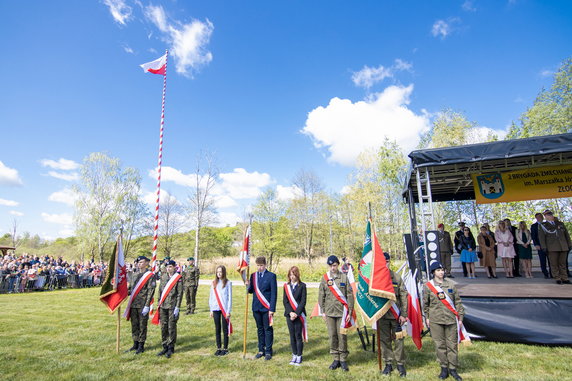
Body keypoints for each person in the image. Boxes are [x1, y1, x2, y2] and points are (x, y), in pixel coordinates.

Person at [423, 262, 466, 381]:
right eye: (438, 270)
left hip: (451, 319)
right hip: (436, 320)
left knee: (452, 344)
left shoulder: (451, 285)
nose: (441, 272)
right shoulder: (428, 286)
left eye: (442, 270)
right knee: (440, 345)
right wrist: (427, 317)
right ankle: (444, 368)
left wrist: (460, 318)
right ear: (433, 272)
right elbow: (425, 304)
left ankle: (453, 368)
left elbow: (457, 302)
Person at [318, 255, 354, 372]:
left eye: (334, 265)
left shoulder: (344, 278)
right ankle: (335, 358)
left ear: (338, 265)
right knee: (332, 335)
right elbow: (321, 295)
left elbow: (349, 295)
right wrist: (322, 311)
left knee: (342, 336)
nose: (332, 268)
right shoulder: (325, 278)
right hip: (329, 312)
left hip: (342, 313)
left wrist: (350, 311)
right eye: (330, 266)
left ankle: (343, 359)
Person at [379, 252, 408, 378]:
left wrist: (403, 314)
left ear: (389, 262)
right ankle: (388, 363)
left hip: (396, 315)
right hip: (382, 316)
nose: (385, 263)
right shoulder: (376, 279)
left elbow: (403, 296)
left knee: (398, 341)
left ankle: (400, 364)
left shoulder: (396, 277)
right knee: (384, 340)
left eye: (387, 261)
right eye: (382, 261)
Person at [247, 256, 277, 360]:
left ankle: (268, 351)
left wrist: (272, 308)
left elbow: (274, 294)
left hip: (266, 308)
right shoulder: (253, 276)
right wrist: (247, 285)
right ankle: (261, 350)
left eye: (261, 265)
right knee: (259, 329)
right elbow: (251, 291)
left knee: (267, 329)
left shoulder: (271, 276)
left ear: (265, 265)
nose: (260, 267)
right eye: (258, 265)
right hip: (256, 307)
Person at [125, 255, 156, 354]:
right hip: (134, 304)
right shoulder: (135, 275)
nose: (139, 264)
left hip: (143, 304)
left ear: (147, 263)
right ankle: (135, 343)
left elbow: (151, 291)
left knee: (142, 325)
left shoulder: (150, 275)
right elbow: (131, 290)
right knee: (134, 325)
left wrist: (147, 305)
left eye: (142, 262)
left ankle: (141, 345)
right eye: (138, 262)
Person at [156, 260, 183, 358]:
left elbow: (180, 294)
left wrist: (177, 307)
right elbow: (160, 291)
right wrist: (158, 303)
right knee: (163, 326)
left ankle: (171, 347)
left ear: (174, 267)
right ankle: (164, 346)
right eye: (167, 267)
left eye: (170, 267)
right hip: (163, 306)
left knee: (171, 327)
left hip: (172, 306)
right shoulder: (163, 277)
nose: (168, 268)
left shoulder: (178, 278)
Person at [538, 210, 571, 285]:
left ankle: (564, 277)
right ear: (545, 217)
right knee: (554, 263)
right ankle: (557, 278)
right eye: (548, 215)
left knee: (563, 263)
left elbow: (566, 235)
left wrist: (569, 244)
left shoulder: (560, 223)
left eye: (551, 214)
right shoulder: (543, 225)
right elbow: (541, 237)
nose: (550, 216)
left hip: (563, 246)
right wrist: (544, 247)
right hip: (552, 247)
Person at [282, 266, 307, 366]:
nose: (292, 277)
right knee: (292, 336)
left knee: (298, 336)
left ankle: (299, 356)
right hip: (289, 315)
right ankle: (294, 355)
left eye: (294, 274)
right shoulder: (286, 286)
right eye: (290, 275)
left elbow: (303, 301)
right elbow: (285, 301)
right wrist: (290, 313)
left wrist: (296, 313)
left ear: (297, 275)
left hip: (299, 315)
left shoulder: (302, 286)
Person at [209, 265, 232, 356]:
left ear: (224, 272)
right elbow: (211, 297)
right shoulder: (213, 283)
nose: (219, 273)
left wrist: (228, 310)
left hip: (224, 309)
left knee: (225, 329)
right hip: (215, 308)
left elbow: (229, 298)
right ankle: (218, 347)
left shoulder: (228, 283)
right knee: (217, 328)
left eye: (221, 272)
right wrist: (211, 309)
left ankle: (225, 348)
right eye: (217, 272)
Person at [531, 212, 551, 279]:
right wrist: (536, 244)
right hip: (540, 245)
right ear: (536, 218)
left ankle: (552, 273)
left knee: (551, 260)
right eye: (537, 217)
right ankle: (545, 273)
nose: (539, 218)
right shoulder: (534, 226)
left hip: (549, 245)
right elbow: (533, 236)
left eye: (540, 216)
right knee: (543, 260)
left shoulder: (547, 224)